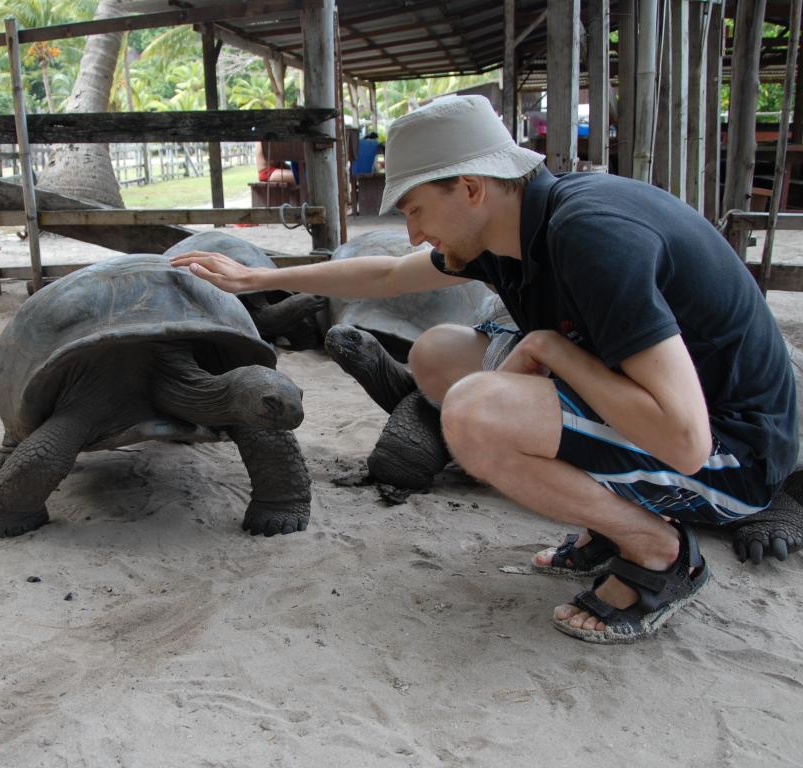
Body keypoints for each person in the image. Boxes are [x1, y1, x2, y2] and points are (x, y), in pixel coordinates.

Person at [170, 95, 798, 644]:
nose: (413, 233)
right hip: (659, 411)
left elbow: (686, 441)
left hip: (729, 455)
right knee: (437, 355)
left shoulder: (592, 238)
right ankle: (612, 518)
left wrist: (550, 349)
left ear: (470, 187)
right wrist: (261, 277)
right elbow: (386, 275)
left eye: (415, 209)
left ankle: (662, 554)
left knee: (475, 414)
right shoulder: (517, 228)